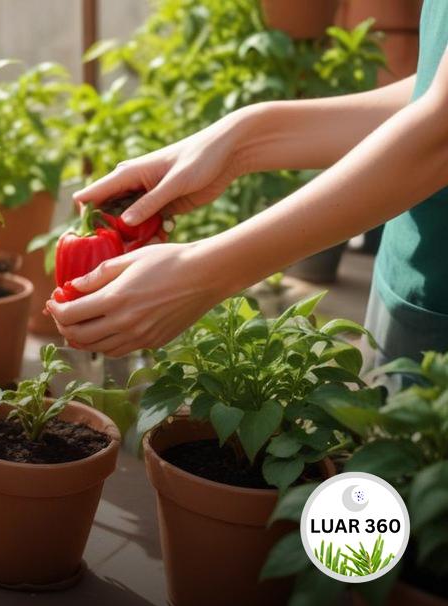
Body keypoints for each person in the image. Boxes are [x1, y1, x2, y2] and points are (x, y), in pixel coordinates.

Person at [48, 4, 448, 367]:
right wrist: (239, 140)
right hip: (409, 269)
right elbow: (429, 91)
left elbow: (441, 136)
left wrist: (203, 273)